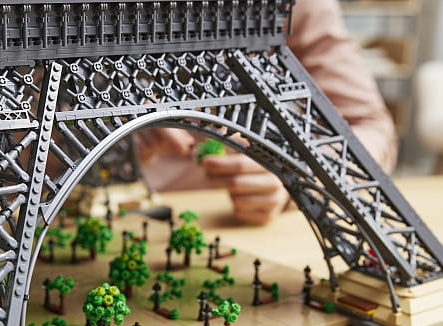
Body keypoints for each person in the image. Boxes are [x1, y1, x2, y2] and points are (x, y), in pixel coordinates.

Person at [137, 0, 398, 225]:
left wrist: (299, 175)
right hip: (134, 206)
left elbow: (372, 128)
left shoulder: (303, 8)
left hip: (230, 218)